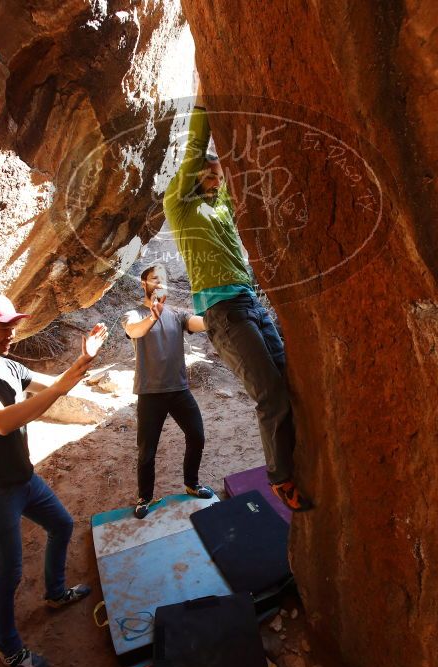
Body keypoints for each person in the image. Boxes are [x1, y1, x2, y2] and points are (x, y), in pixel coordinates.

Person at [163, 84, 312, 512]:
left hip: (250, 304)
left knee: (290, 386)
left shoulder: (223, 207)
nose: (214, 179)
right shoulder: (182, 207)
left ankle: (297, 459)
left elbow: (237, 171)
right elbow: (196, 150)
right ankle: (280, 477)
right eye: (208, 175)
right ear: (192, 178)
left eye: (218, 175)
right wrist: (204, 102)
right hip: (223, 313)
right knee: (271, 395)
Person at [0, 293, 108, 667]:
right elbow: (3, 421)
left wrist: (84, 359)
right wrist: (60, 388)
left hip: (23, 478)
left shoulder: (8, 366)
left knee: (62, 524)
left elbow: (53, 386)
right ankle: (9, 650)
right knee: (7, 574)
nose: (12, 332)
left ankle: (56, 594)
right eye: (3, 327)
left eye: (13, 325)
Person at [121, 264, 212, 519]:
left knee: (197, 436)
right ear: (144, 284)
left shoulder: (177, 314)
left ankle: (191, 484)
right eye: (153, 278)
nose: (159, 283)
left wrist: (219, 312)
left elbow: (201, 322)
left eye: (163, 279)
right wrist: (152, 316)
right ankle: (145, 497)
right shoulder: (134, 313)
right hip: (150, 392)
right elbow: (133, 331)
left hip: (179, 389)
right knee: (147, 450)